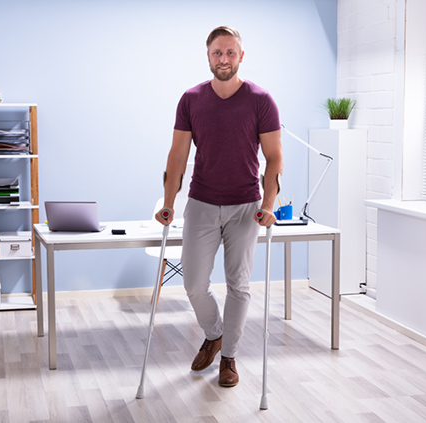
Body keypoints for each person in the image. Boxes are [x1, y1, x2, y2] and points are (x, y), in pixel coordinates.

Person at [155, 25, 282, 388]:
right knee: (194, 284)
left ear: (241, 56)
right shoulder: (191, 99)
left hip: (246, 206)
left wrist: (268, 204)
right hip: (202, 203)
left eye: (230, 53)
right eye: (217, 53)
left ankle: (229, 358)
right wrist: (168, 203)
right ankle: (214, 334)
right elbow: (177, 156)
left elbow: (274, 158)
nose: (223, 59)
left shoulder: (260, 100)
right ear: (208, 56)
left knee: (238, 286)